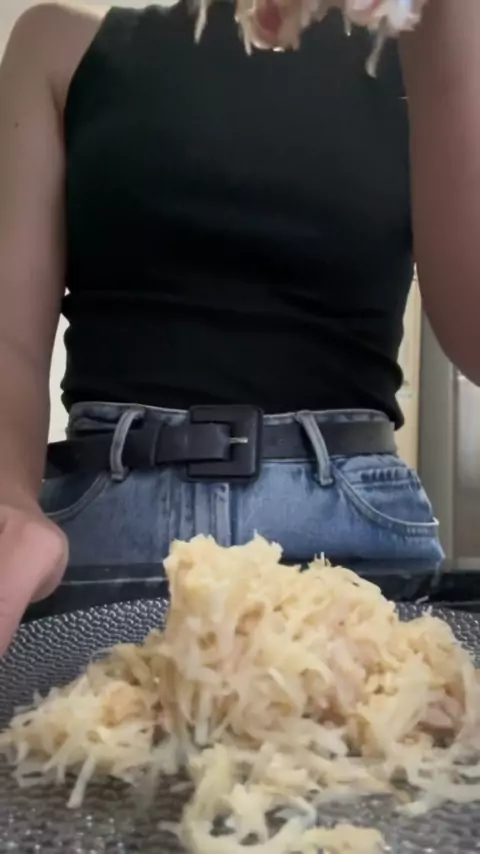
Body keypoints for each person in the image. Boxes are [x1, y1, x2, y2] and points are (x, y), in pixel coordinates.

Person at [0, 0, 477, 655]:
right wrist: (9, 496)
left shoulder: (422, 52)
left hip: (355, 551)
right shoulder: (56, 43)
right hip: (100, 538)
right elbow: (12, 342)